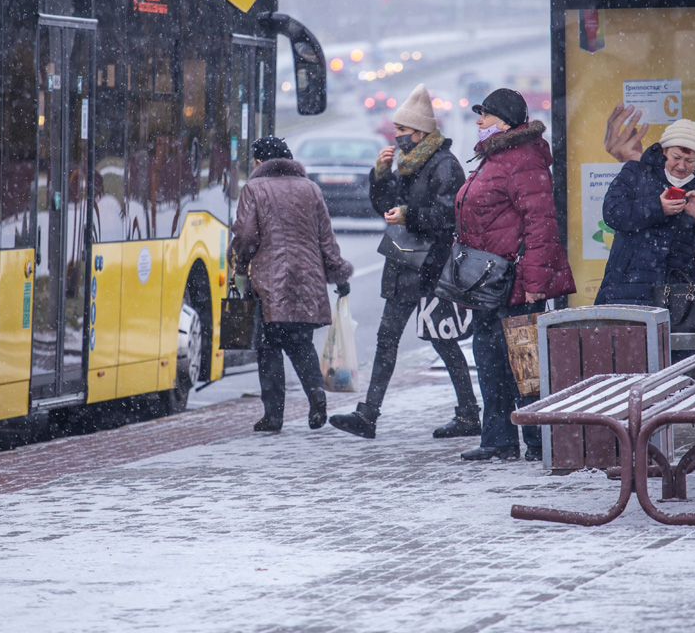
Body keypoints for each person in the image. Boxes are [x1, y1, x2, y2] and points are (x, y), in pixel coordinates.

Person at [329, 84, 480, 440]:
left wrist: (410, 216)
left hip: (434, 268)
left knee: (443, 340)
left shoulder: (445, 165)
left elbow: (448, 216)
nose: (396, 137)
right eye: (396, 130)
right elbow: (384, 208)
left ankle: (470, 414)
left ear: (421, 131)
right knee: (386, 339)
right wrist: (380, 175)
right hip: (403, 264)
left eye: (402, 130)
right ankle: (368, 415)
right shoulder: (405, 164)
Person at [456, 88, 575, 462]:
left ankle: (539, 443)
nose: (479, 121)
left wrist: (535, 286)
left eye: (485, 115)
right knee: (490, 360)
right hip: (490, 283)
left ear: (505, 121)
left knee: (526, 365)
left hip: (517, 283)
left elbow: (541, 226)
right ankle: (498, 440)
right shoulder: (495, 158)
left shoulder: (522, 159)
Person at [229, 136, 353, 433]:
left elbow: (246, 236)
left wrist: (241, 264)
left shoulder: (254, 188)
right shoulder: (310, 188)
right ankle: (317, 400)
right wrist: (338, 274)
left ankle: (273, 416)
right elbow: (326, 239)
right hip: (307, 280)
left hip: (268, 282)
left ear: (259, 162)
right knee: (301, 346)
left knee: (268, 348)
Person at [595, 119, 695, 306]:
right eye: (676, 157)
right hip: (626, 287)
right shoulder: (636, 172)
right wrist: (658, 207)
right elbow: (613, 212)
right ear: (663, 151)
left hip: (677, 294)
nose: (681, 166)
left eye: (689, 161)